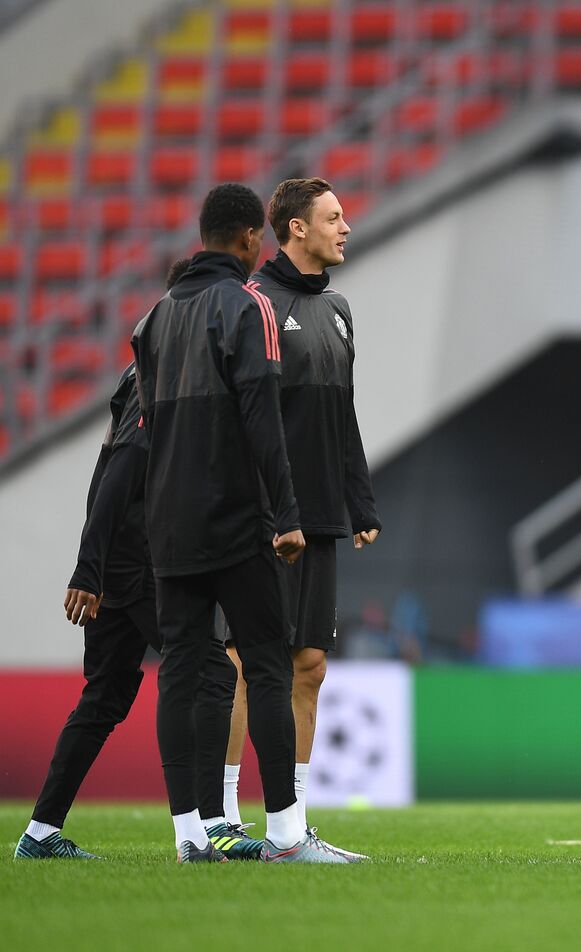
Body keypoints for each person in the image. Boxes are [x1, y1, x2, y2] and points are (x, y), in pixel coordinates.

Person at [131, 183, 352, 863]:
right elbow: (261, 417)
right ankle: (287, 833)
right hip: (235, 519)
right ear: (253, 238)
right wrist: (285, 515)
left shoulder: (154, 317)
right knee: (266, 666)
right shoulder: (247, 306)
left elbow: (145, 429)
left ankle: (191, 837)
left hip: (168, 522)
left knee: (181, 671)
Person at [13, 261, 253, 861]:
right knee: (214, 671)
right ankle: (213, 823)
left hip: (122, 556)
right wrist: (89, 567)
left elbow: (110, 468)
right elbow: (122, 472)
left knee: (108, 693)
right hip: (137, 561)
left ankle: (41, 831)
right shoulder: (162, 374)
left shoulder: (145, 368)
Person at [213, 178, 380, 856]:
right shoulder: (254, 306)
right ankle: (224, 816)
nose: (345, 227)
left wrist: (359, 501)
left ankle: (292, 826)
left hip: (321, 513)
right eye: (333, 218)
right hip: (263, 517)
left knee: (309, 664)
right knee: (248, 663)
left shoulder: (338, 310)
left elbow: (342, 414)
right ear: (294, 229)